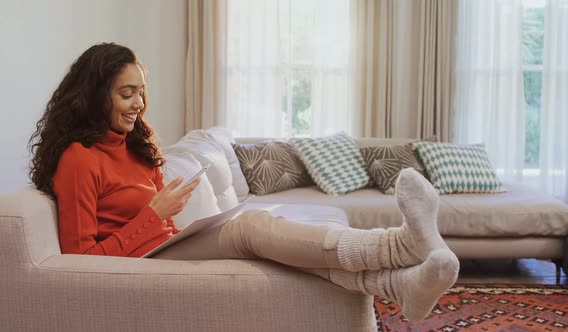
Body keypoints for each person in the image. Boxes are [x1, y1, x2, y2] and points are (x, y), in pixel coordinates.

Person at [29, 42, 459, 321]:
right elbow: (81, 257)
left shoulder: (134, 145)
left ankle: (398, 284)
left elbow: (156, 226)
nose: (140, 104)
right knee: (251, 228)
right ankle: (398, 246)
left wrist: (165, 221)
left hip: (165, 247)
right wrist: (151, 215)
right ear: (93, 94)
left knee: (263, 234)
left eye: (142, 91)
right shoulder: (78, 160)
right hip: (136, 268)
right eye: (127, 93)